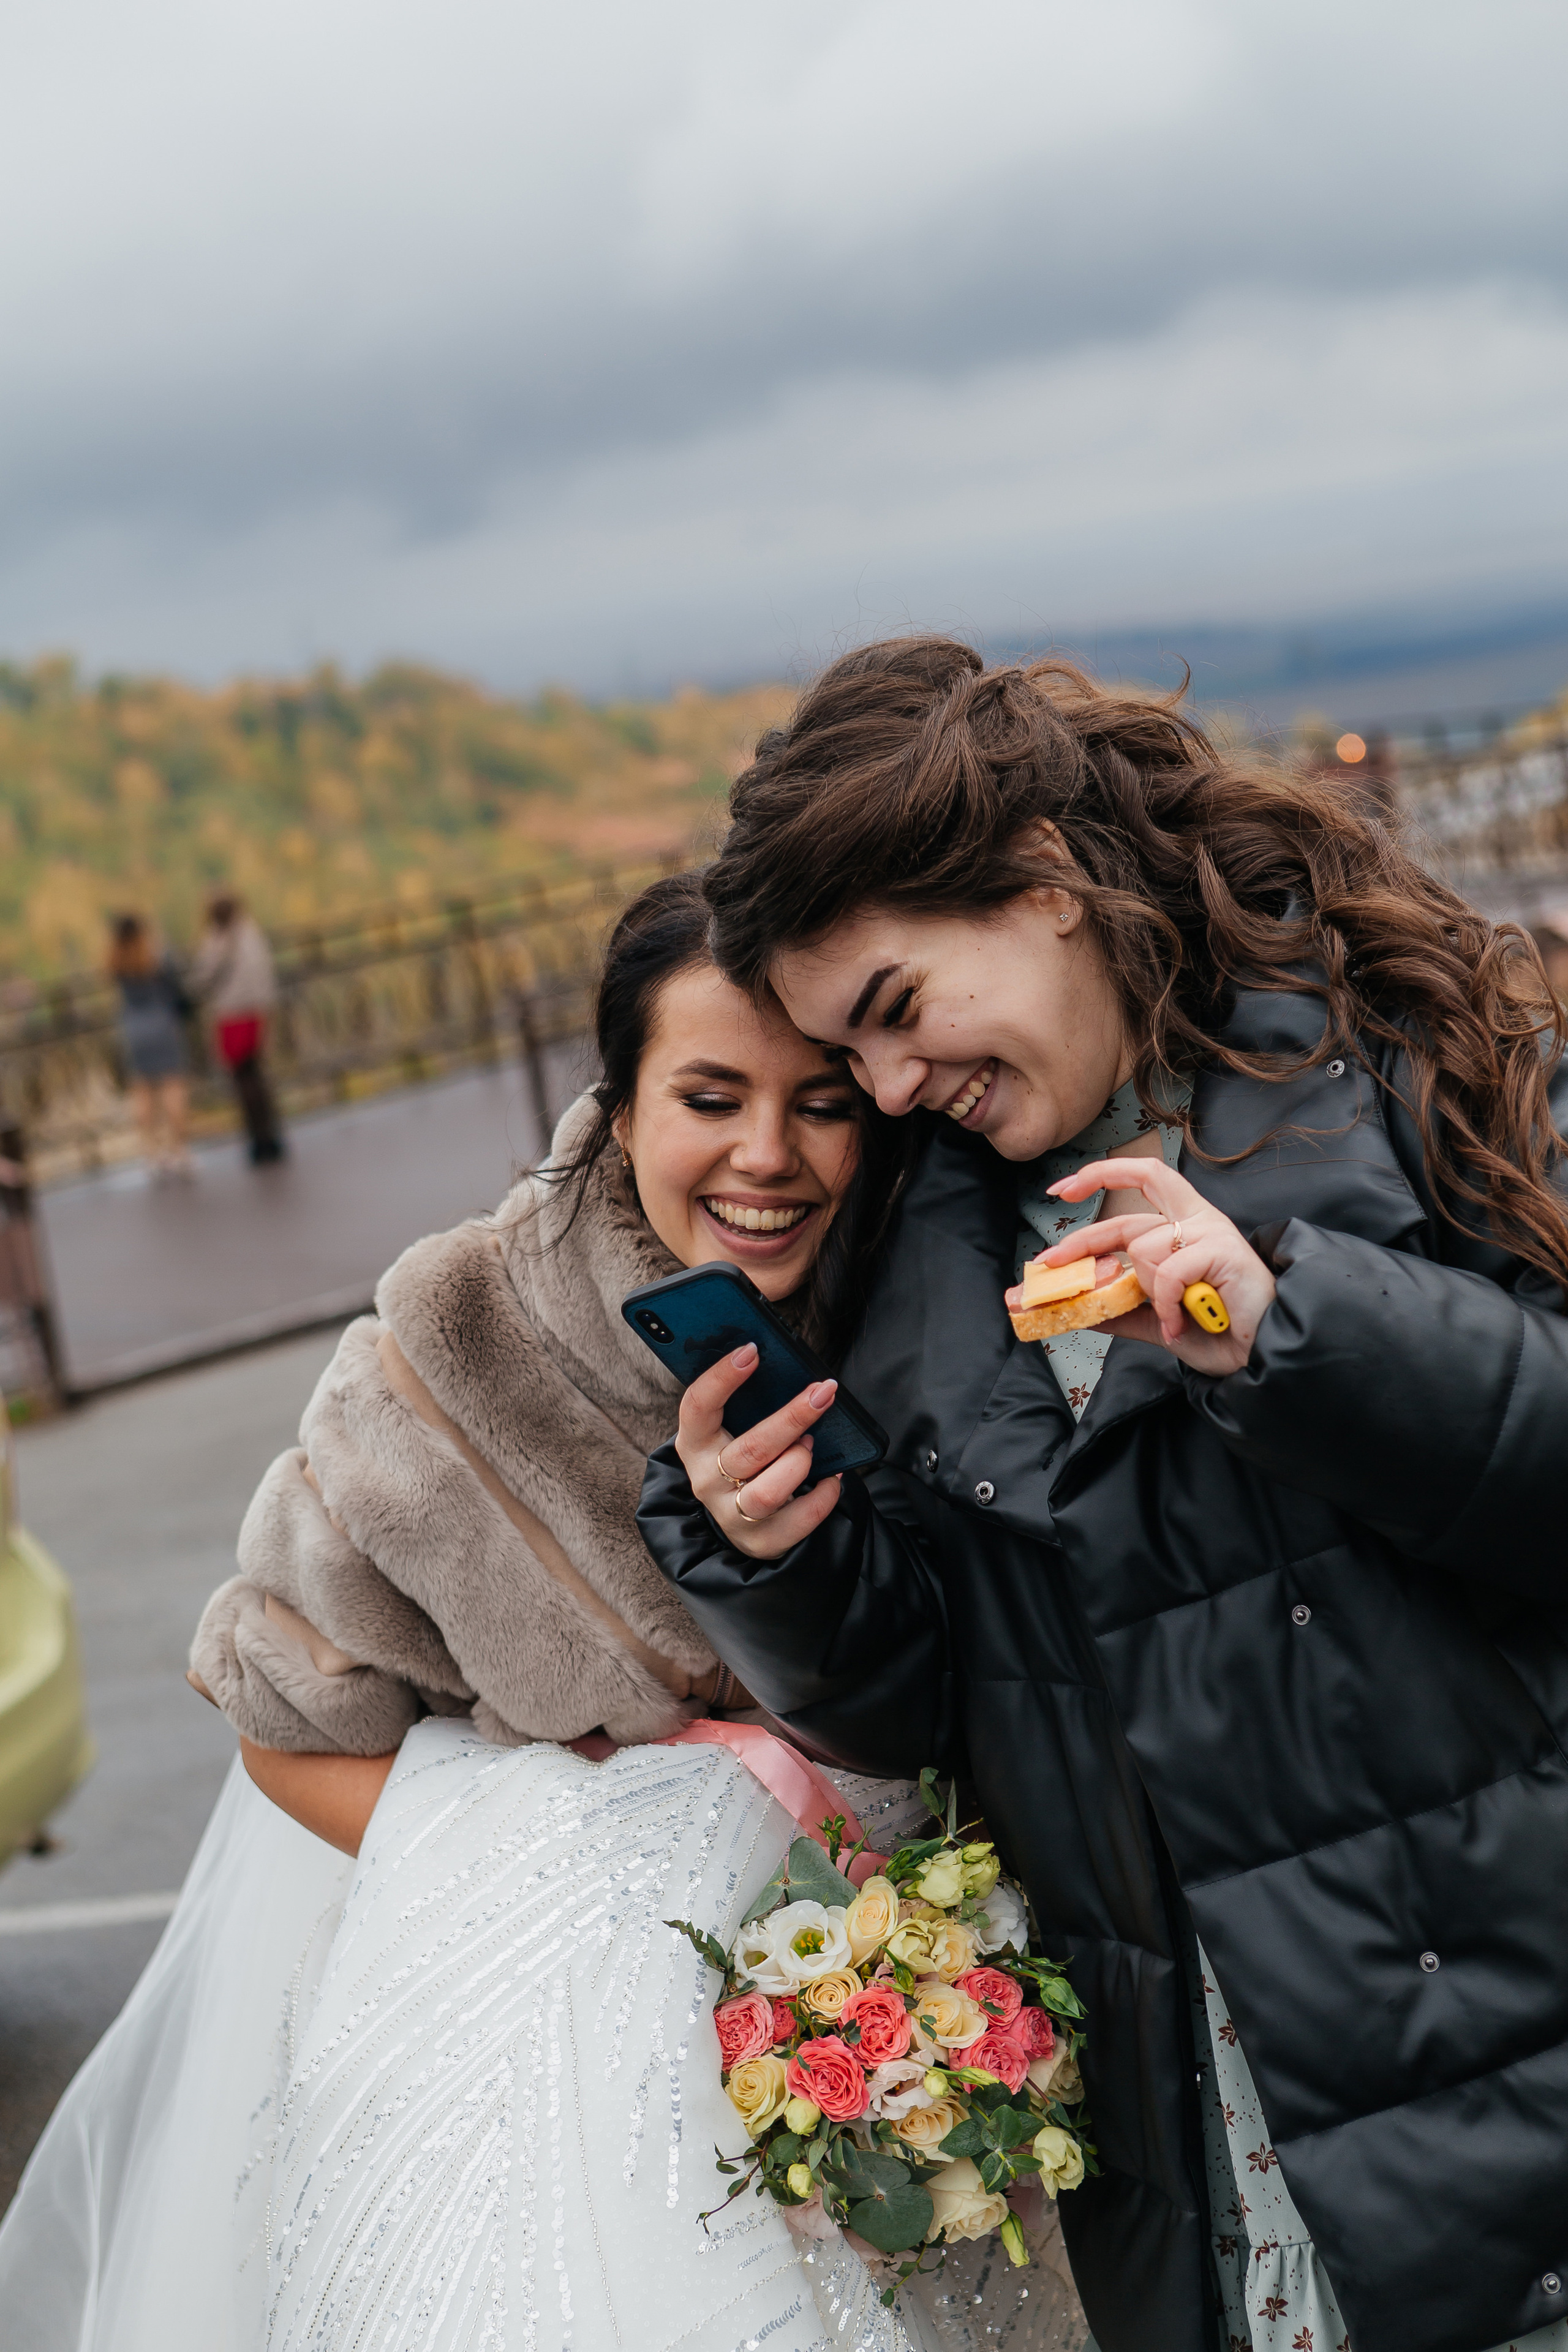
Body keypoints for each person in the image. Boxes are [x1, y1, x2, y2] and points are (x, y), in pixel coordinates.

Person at [0, 872, 1082, 2352]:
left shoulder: (927, 1317)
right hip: (549, 2117)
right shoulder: (445, 1359)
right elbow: (283, 1727)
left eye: (821, 1103)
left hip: (907, 2101)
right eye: (707, 1095)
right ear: (618, 1103)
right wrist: (613, 1876)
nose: (765, 1155)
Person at [636, 638, 1568, 2352]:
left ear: (1048, 883)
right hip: (1202, 2177)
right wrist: (780, 1558)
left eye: (901, 1014)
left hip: (1505, 2120)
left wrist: (1305, 1334)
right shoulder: (928, 1246)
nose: (900, 1091)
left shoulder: (1427, 1057)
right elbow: (938, 1711)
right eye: (861, 1059)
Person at [192, 892, 285, 1163]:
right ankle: (269, 1134)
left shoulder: (214, 941)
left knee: (242, 1078)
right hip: (255, 1012)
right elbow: (266, 976)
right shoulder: (251, 936)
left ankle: (257, 1137)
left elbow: (204, 978)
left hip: (231, 1015)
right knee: (256, 1074)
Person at [107, 911, 194, 1175]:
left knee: (143, 1093)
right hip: (162, 1023)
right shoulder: (157, 955)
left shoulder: (116, 959)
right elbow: (177, 987)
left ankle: (152, 1153)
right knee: (173, 1088)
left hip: (133, 1027)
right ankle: (179, 1150)